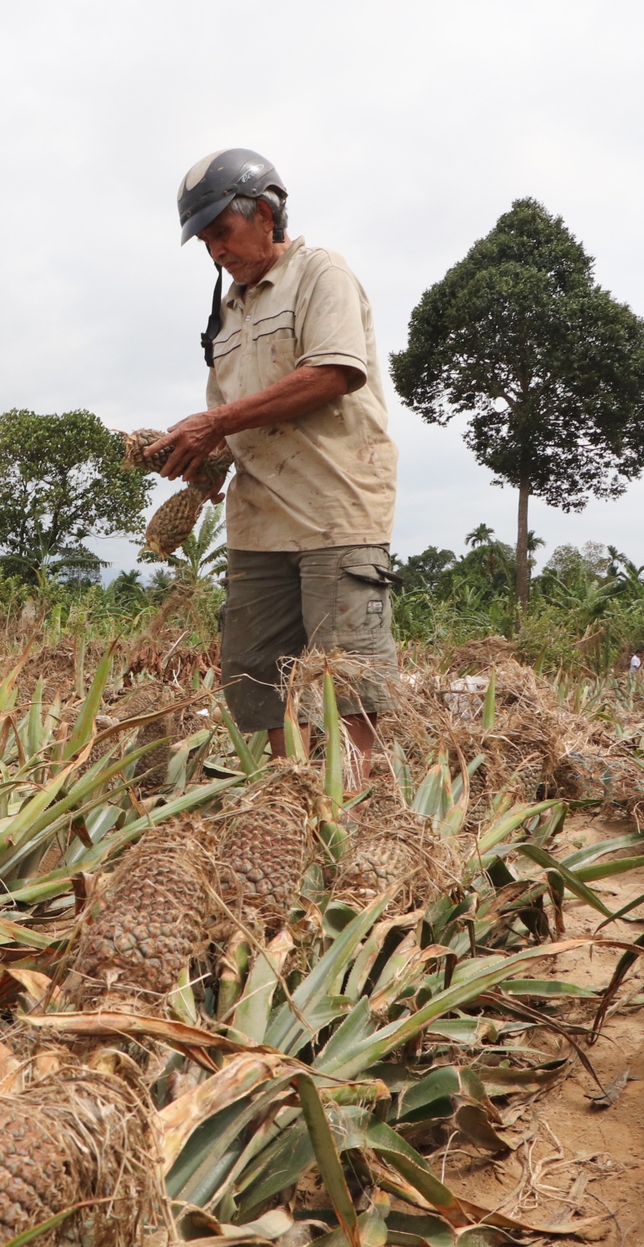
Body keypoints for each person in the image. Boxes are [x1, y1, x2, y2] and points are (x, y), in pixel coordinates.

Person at [154, 149, 398, 786]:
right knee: (260, 677)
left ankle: (356, 807)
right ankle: (290, 797)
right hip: (259, 520)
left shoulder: (320, 273)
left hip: (334, 510)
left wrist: (216, 424)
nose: (216, 251)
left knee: (348, 678)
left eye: (222, 232)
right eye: (205, 241)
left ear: (265, 213)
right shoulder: (227, 313)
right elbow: (229, 420)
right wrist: (200, 462)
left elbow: (333, 372)